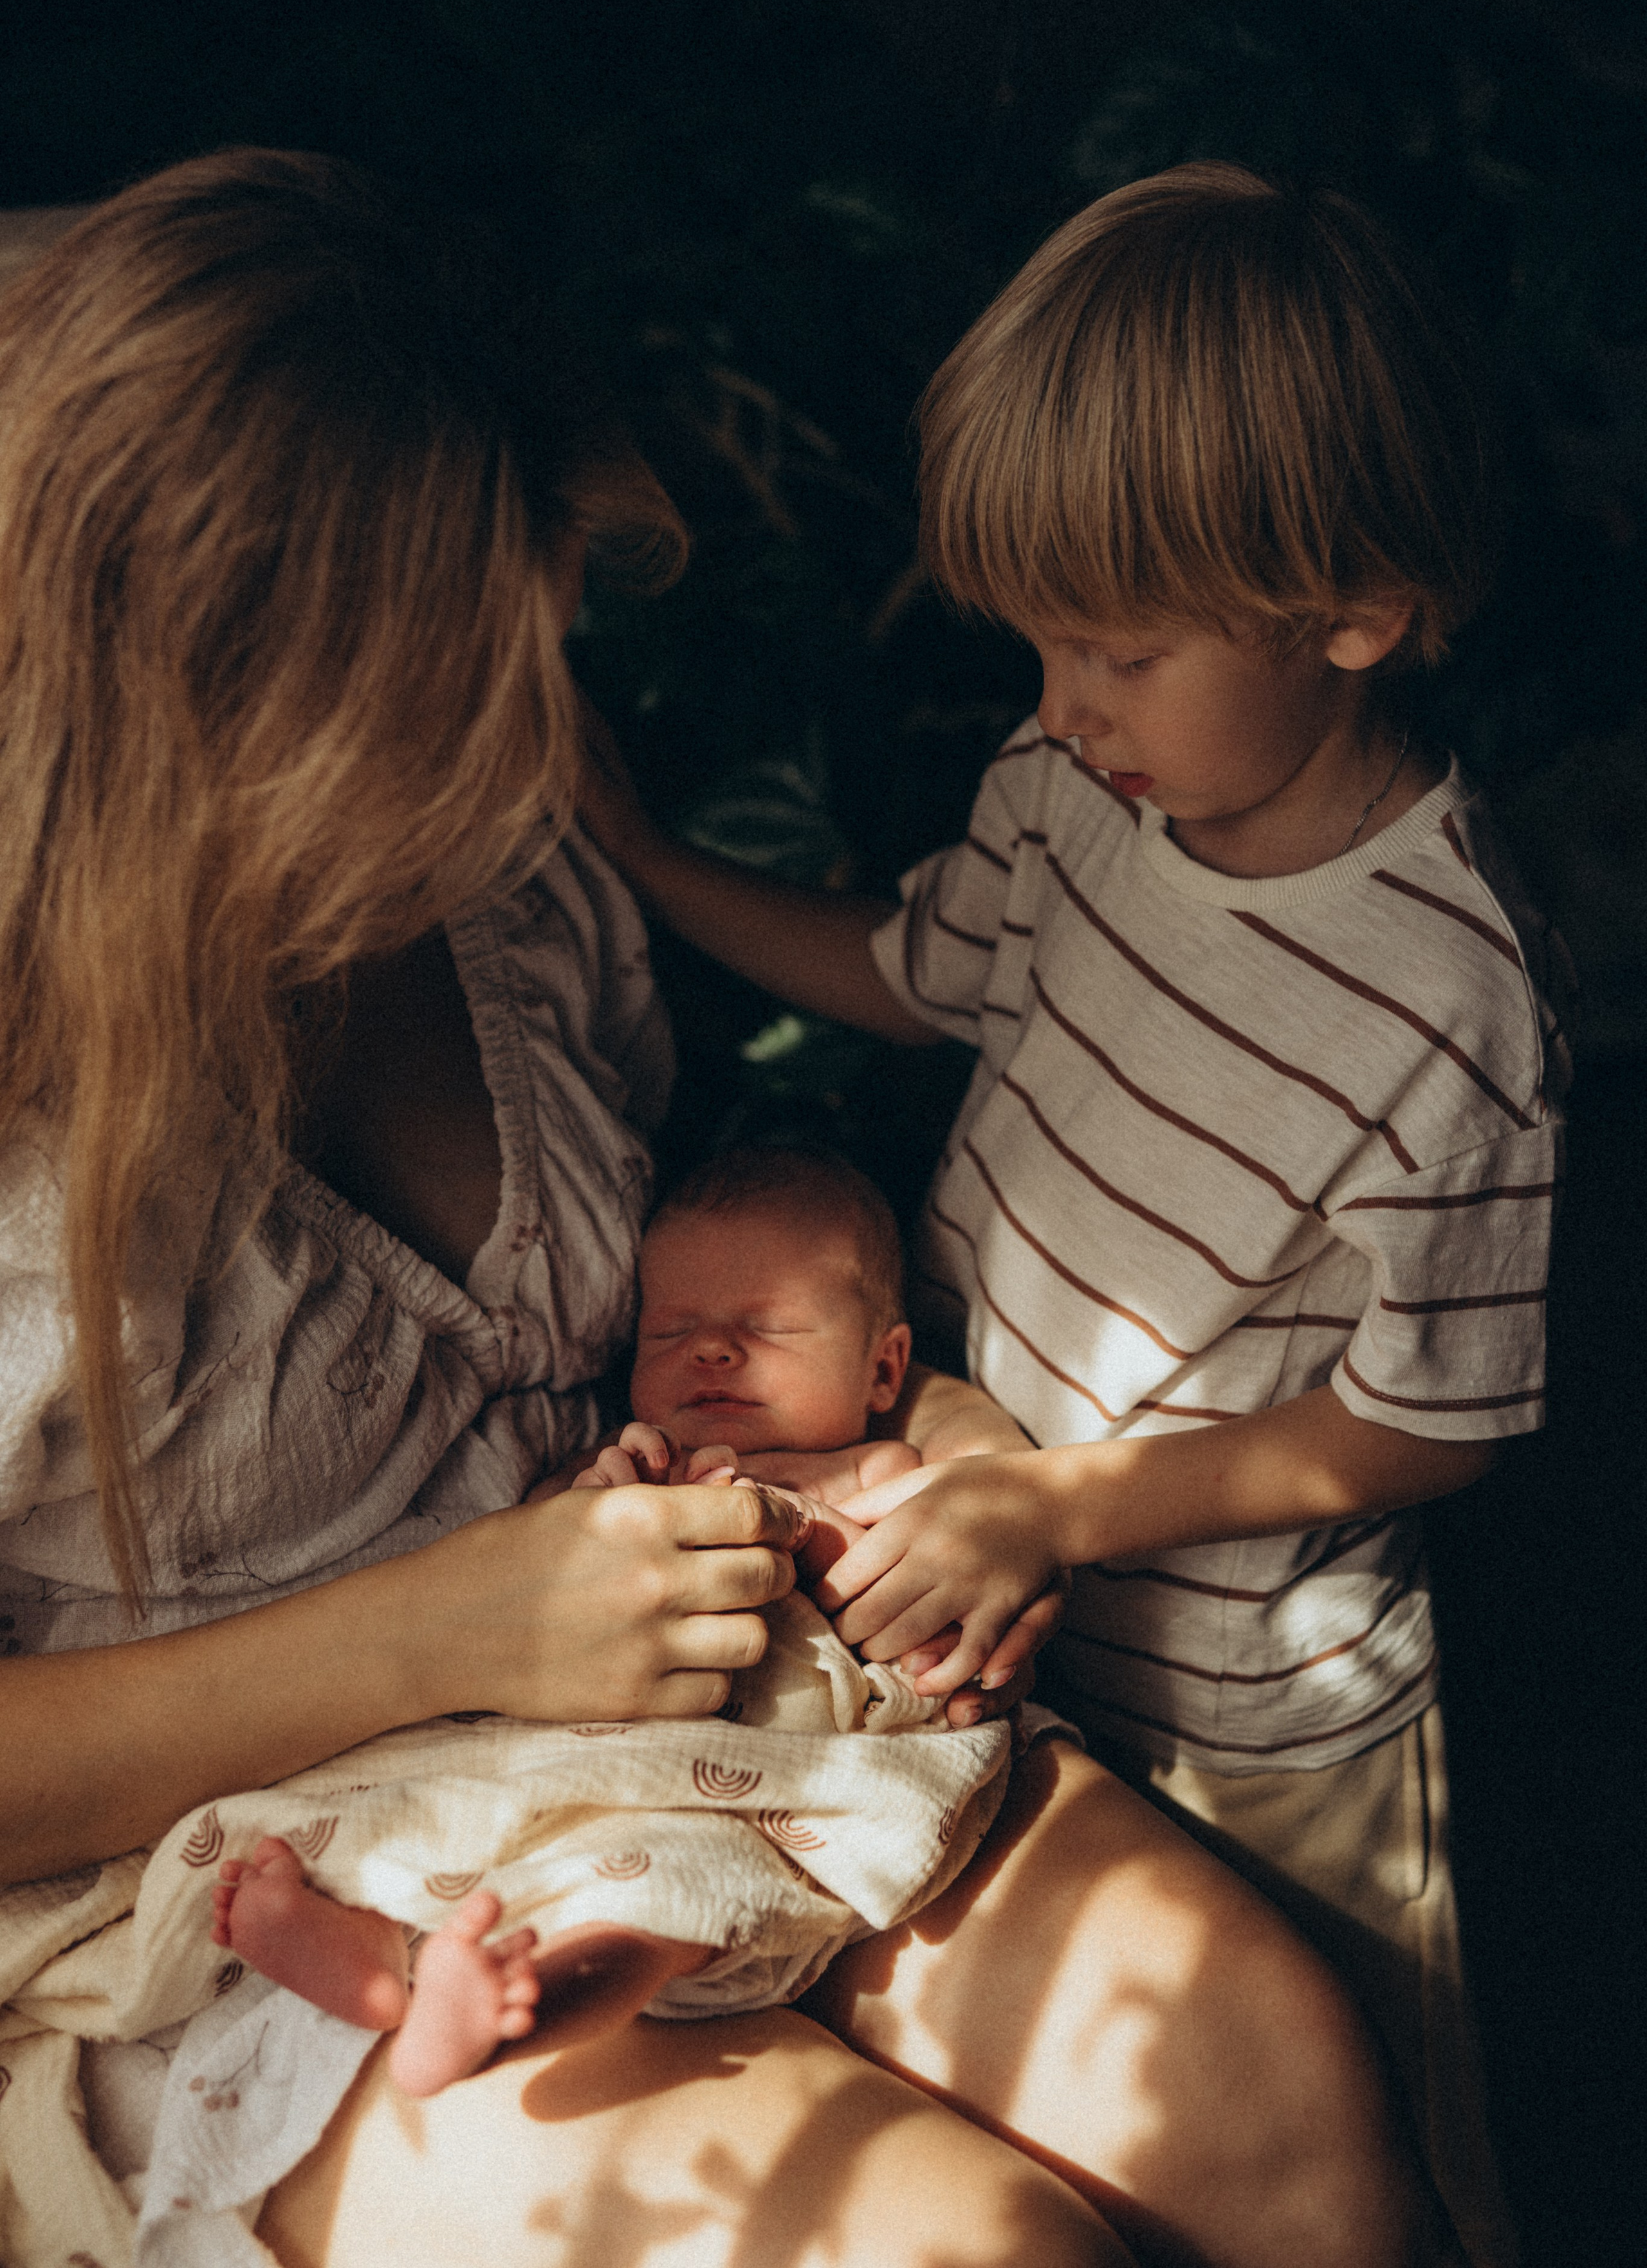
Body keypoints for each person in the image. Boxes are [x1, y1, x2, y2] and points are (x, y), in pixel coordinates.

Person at [0, 148, 1428, 2268]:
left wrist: (916, 1445)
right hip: (230, 1897)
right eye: (443, 701)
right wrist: (442, 1630)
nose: (522, 754)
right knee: (971, 2254)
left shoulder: (498, 876)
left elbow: (676, 1284)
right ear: (219, 710)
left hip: (710, 1719)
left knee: (1281, 2089)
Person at [579, 161, 1562, 2268]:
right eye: (1033, 640)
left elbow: (1435, 1423)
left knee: (1347, 2176)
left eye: (1116, 646)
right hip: (996, 1638)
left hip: (1258, 1717)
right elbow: (912, 971)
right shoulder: (1079, 791)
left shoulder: (1453, 994)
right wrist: (649, 865)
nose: (1055, 704)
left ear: (1355, 611)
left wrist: (1064, 1507)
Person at [187, 1151, 1019, 2105]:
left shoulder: (881, 1471)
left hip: (751, 1795)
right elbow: (531, 1568)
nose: (712, 1350)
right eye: (671, 1331)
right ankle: (373, 1945)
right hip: (580, 1750)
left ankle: (520, 2004)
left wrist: (793, 1520)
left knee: (660, 1902)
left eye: (767, 1327)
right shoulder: (626, 1456)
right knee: (447, 1806)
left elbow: (908, 1593)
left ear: (884, 1368)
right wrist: (597, 1503)